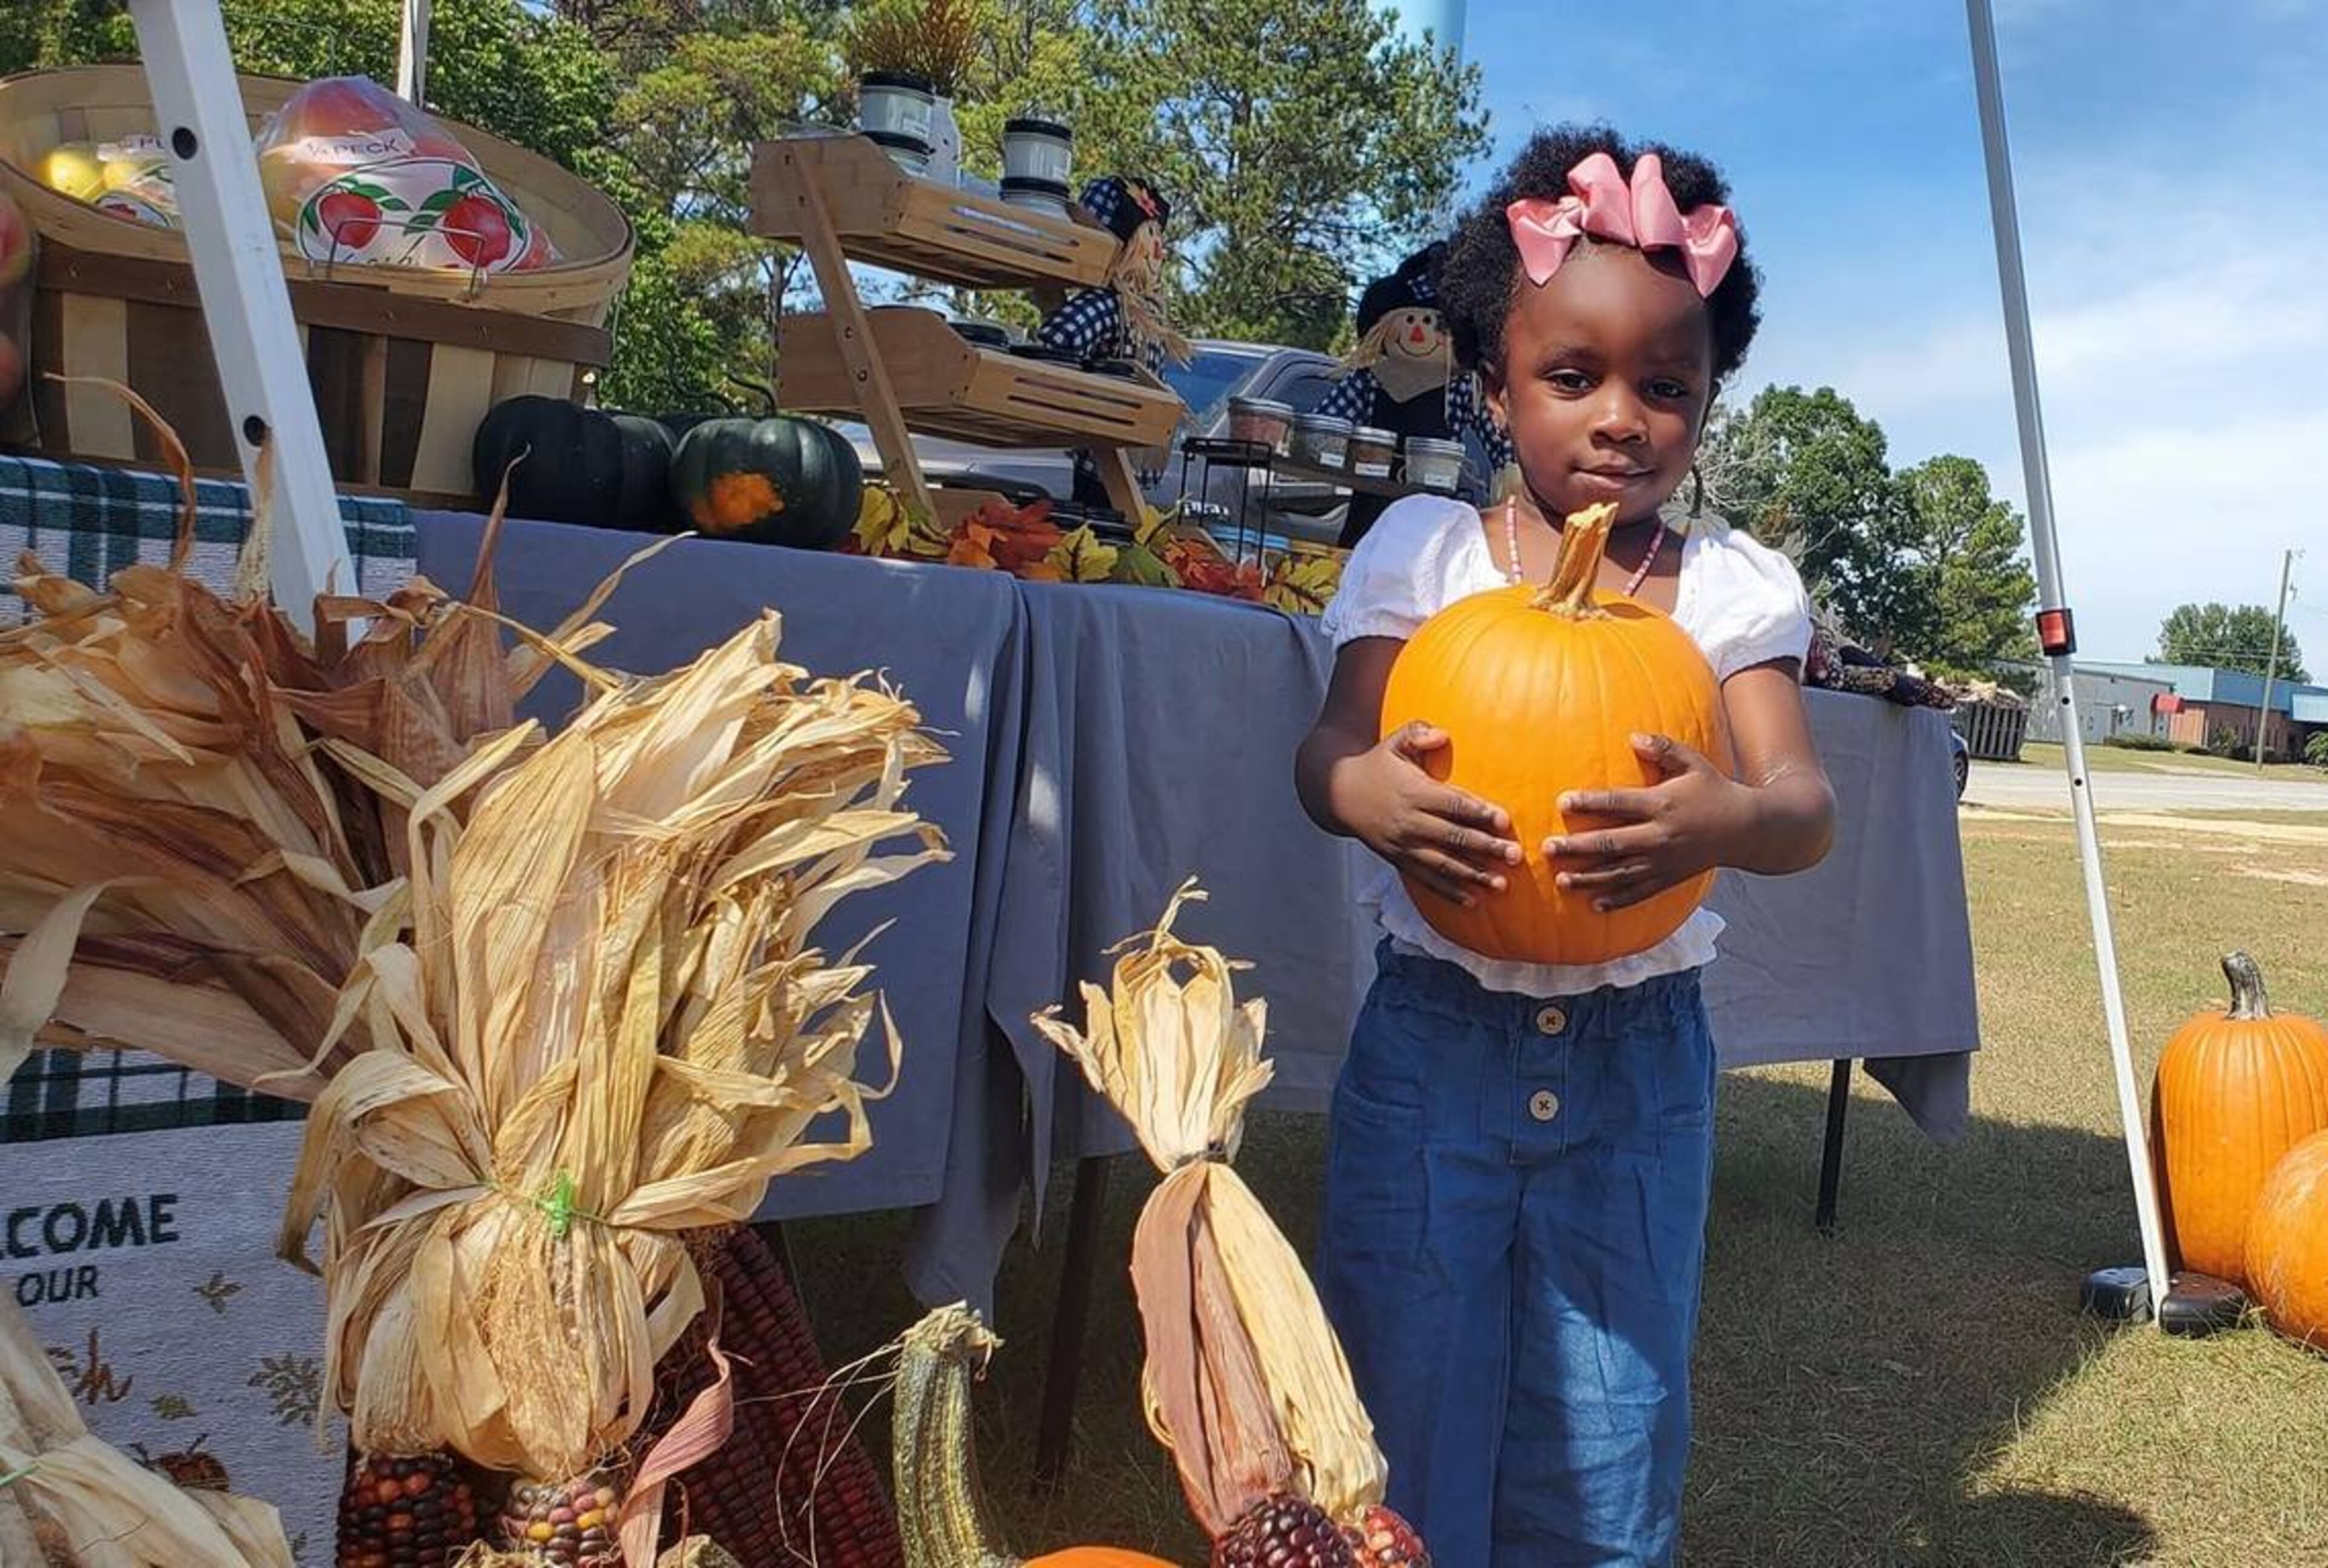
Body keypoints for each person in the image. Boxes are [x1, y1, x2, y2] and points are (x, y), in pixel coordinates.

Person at [1293, 125, 1838, 1567]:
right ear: (1492, 386)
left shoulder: (1725, 591)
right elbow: (1329, 748)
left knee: (1609, 1422)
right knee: (1395, 1388)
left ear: (1706, 405)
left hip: (1636, 1060)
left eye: (1665, 387)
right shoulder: (1422, 554)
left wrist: (1723, 815)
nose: (1619, 419)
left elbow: (1799, 804)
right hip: (1432, 1048)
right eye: (1572, 376)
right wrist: (1365, 794)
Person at [1317, 242, 1515, 547]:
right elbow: (1329, 425)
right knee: (1365, 552)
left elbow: (1499, 439)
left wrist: (1511, 472)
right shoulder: (1372, 380)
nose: (1419, 333)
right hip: (1372, 503)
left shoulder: (1460, 387)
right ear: (1381, 330)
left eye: (1432, 324)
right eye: (1409, 321)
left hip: (1436, 510)